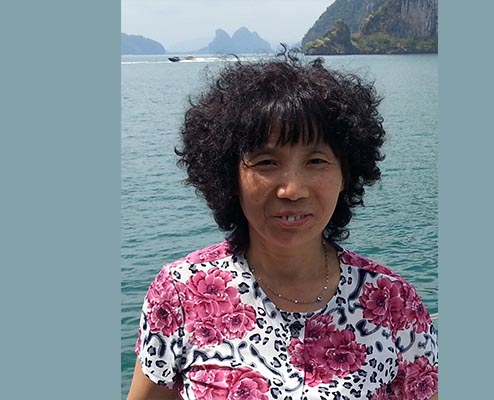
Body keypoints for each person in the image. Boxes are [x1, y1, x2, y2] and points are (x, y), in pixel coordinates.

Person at [127, 51, 438, 400]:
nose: (291, 189)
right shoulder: (180, 293)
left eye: (316, 161)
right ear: (230, 176)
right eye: (266, 162)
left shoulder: (393, 302)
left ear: (345, 175)